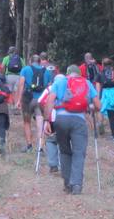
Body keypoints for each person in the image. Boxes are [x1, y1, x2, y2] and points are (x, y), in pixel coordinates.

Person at [41, 65, 99, 194]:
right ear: (79, 74)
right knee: (79, 153)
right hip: (79, 121)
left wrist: (46, 121)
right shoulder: (87, 83)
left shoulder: (60, 81)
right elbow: (98, 105)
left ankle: (67, 184)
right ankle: (77, 185)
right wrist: (91, 108)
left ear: (67, 73)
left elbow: (50, 101)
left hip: (61, 120)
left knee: (65, 151)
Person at [17, 53, 51, 153]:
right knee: (40, 122)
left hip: (28, 99)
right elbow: (49, 87)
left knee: (27, 122)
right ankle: (40, 147)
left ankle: (29, 145)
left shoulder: (26, 69)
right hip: (41, 100)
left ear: (31, 61)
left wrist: (19, 100)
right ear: (40, 62)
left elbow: (21, 84)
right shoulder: (47, 72)